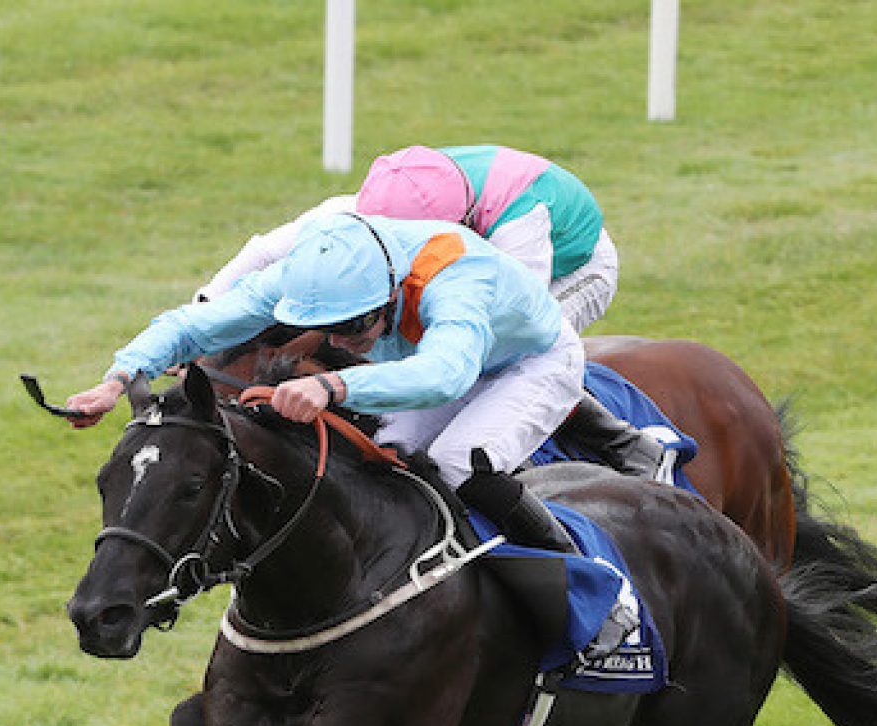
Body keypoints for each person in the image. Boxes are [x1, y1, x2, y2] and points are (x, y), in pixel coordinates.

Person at [62, 211, 586, 554]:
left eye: (355, 325)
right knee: (384, 461)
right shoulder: (304, 277)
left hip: (529, 365)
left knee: (455, 462)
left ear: (387, 291)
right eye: (328, 329)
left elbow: (450, 374)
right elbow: (193, 324)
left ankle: (589, 590)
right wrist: (119, 377)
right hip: (442, 362)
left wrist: (333, 386)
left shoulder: (456, 279)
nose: (344, 340)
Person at [199, 145, 620, 334]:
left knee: (524, 352)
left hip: (578, 270)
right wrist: (204, 309)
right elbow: (266, 252)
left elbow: (515, 314)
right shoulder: (383, 195)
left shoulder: (519, 224)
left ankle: (621, 443)